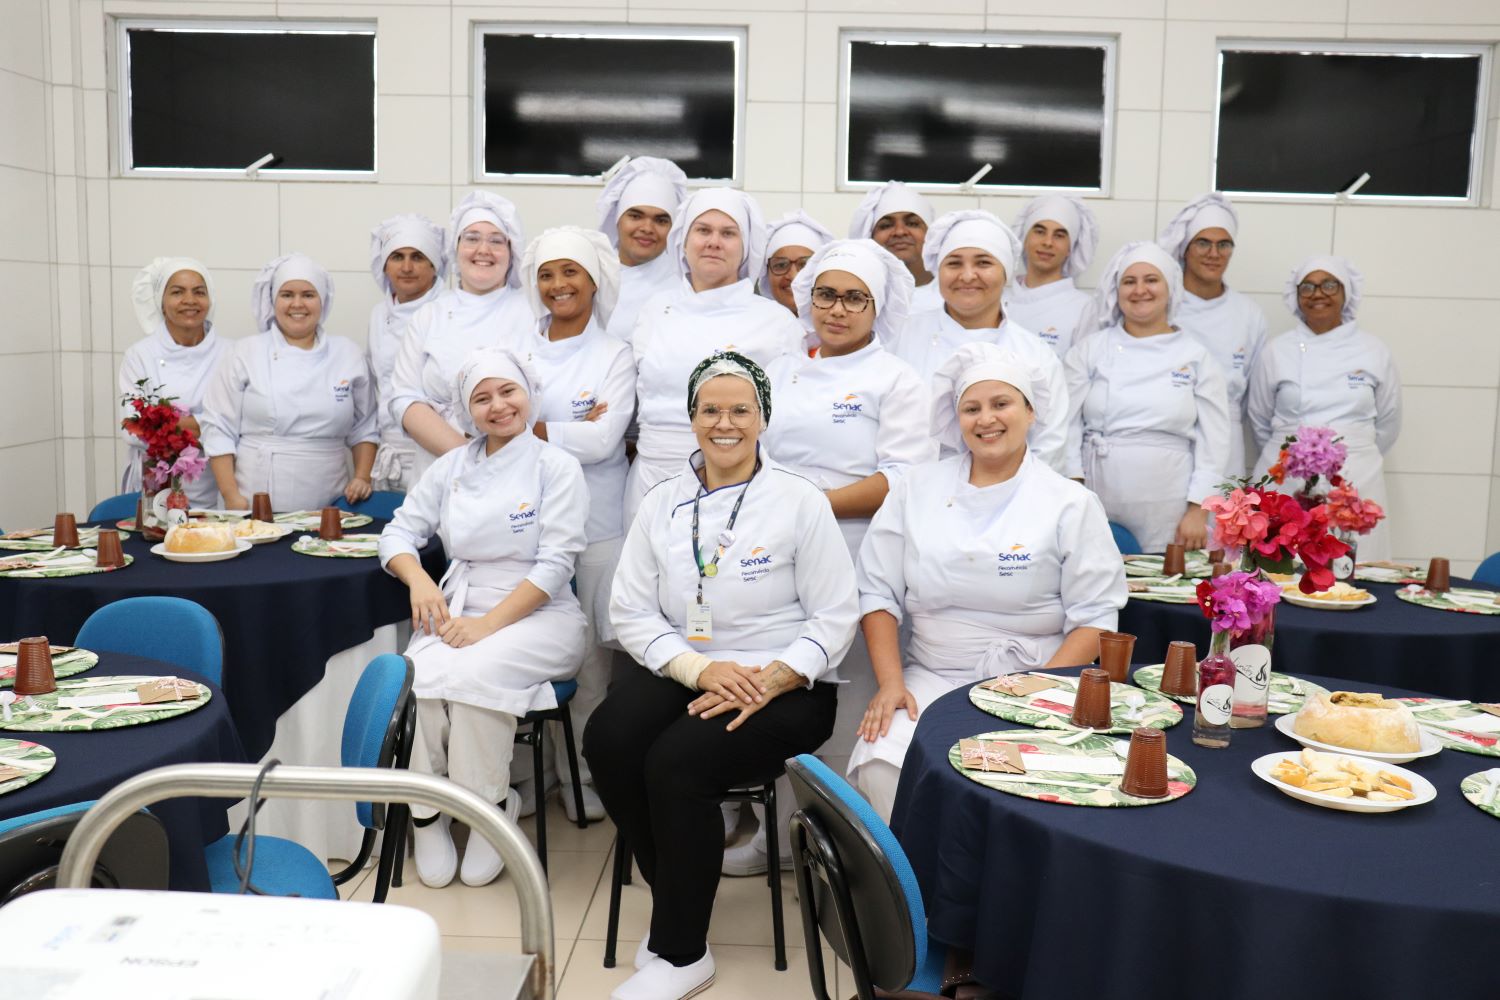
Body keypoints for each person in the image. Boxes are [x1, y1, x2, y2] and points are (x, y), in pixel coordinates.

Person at [587, 352, 858, 1000]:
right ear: (692, 418)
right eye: (711, 409)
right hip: (696, 668)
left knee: (677, 764)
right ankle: (681, 904)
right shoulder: (663, 503)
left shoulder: (799, 502)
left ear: (762, 417)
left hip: (787, 685)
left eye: (740, 409)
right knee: (609, 738)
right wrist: (702, 670)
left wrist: (777, 676)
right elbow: (630, 608)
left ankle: (682, 952)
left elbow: (836, 612)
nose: (725, 422)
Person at [848, 343, 1125, 820]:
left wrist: (1035, 690)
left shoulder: (1069, 502)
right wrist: (891, 683)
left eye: (1002, 404)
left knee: (1013, 789)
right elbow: (877, 594)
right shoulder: (916, 488)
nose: (986, 419)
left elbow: (1096, 619)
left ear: (1031, 411)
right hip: (932, 677)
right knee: (882, 763)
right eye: (971, 408)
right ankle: (910, 891)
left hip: (1040, 681)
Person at [723, 239, 930, 876]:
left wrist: (814, 505)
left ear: (877, 307)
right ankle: (782, 836)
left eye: (853, 298)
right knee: (787, 687)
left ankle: (846, 850)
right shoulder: (780, 370)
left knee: (855, 697)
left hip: (858, 548)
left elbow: (902, 476)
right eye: (825, 295)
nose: (836, 309)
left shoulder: (896, 378)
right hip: (773, 550)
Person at [378, 346, 589, 889]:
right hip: (460, 603)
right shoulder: (450, 468)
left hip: (542, 614)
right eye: (482, 398)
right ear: (466, 410)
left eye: (508, 391)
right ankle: (428, 816)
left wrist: (485, 626)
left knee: (473, 674)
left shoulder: (556, 466)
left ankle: (487, 810)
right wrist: (422, 580)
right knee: (416, 676)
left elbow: (556, 564)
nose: (498, 406)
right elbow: (398, 534)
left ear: (528, 395)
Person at [516, 225, 634, 822]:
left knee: (590, 665)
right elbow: (495, 424)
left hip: (596, 523)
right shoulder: (517, 349)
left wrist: (531, 430)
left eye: (571, 273)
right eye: (546, 274)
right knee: (533, 655)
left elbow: (607, 438)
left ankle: (585, 778)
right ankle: (539, 776)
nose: (558, 285)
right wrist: (571, 429)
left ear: (594, 282)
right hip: (525, 524)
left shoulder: (614, 353)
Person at [624, 188, 805, 528]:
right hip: (651, 480)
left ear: (746, 246)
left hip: (740, 484)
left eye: (728, 233)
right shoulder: (654, 311)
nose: (713, 242)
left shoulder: (777, 322)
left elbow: (788, 419)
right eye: (703, 230)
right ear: (684, 240)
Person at [1063, 242, 1230, 553]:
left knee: (1161, 589)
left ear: (1170, 289)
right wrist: (1074, 491)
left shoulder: (1196, 356)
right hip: (1097, 498)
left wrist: (1199, 508)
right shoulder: (1090, 350)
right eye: (1129, 281)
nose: (1140, 290)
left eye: (1151, 280)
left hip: (1171, 507)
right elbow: (1064, 424)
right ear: (1117, 291)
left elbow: (1215, 441)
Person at [887, 210, 1069, 472]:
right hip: (913, 495)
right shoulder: (900, 337)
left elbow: (1048, 446)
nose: (968, 275)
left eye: (983, 263)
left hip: (1011, 501)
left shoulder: (1035, 354)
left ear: (1005, 273)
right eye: (954, 263)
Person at [1248, 256, 1401, 559]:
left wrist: (1349, 451)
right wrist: (1293, 450)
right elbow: (1259, 418)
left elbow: (1389, 421)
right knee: (1280, 567)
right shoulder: (1276, 351)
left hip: (1356, 477)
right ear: (1296, 296)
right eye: (1308, 287)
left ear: (1346, 293)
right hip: (1286, 477)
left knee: (1352, 565)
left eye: (1329, 285)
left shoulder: (1374, 351)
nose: (1318, 294)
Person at [200, 253, 378, 512]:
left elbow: (365, 427)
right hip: (255, 495)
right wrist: (231, 496)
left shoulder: (347, 354)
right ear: (272, 301)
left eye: (308, 294)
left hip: (331, 496)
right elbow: (218, 429)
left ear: (323, 300)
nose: (298, 304)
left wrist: (362, 477)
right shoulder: (244, 353)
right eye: (287, 295)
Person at [390, 191, 532, 481]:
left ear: (512, 251)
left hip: (516, 471)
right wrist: (471, 458)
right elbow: (405, 399)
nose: (483, 249)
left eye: (496, 240)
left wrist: (496, 462)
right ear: (455, 249)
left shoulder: (533, 312)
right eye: (472, 238)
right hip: (439, 470)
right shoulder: (429, 316)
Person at [1158, 193, 1268, 478]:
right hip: (1168, 433)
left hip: (1226, 440)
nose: (1214, 253)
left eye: (1224, 244)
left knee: (1221, 520)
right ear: (1185, 249)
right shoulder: (1163, 305)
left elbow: (1254, 400)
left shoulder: (1249, 314)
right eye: (1203, 243)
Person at [119, 257, 229, 508]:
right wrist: (207, 425)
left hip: (216, 482)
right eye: (177, 292)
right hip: (157, 482)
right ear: (161, 301)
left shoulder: (230, 354)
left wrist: (166, 425)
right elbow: (135, 429)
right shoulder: (139, 356)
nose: (189, 300)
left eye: (199, 292)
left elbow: (238, 426)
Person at [366, 214, 447, 493]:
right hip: (388, 451)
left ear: (434, 266)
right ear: (385, 265)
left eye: (418, 257)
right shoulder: (378, 315)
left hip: (435, 447)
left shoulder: (448, 311)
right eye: (397, 257)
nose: (407, 267)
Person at [597, 157, 689, 343]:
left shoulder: (685, 286)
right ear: (618, 219)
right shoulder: (592, 276)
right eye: (636, 216)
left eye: (661, 220)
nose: (647, 228)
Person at [1002, 194, 1101, 359]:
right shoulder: (998, 298)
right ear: (1024, 240)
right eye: (1040, 232)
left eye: (1059, 235)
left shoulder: (1083, 308)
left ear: (1070, 248)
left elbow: (1080, 374)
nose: (1048, 242)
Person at [847, 181, 941, 312]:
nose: (899, 231)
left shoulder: (954, 297)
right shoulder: (854, 299)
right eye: (886, 225)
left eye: (912, 223)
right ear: (870, 238)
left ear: (930, 234)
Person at [757, 210, 834, 315]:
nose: (793, 276)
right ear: (767, 274)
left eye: (805, 265)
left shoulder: (845, 328)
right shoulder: (750, 328)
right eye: (781, 265)